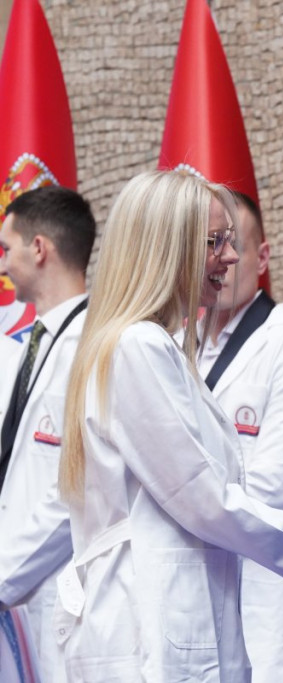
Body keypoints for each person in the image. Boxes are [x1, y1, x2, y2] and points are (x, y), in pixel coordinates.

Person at [56, 170, 283, 682]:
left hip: (173, 616)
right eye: (214, 242)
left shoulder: (150, 345)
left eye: (231, 241)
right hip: (144, 630)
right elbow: (205, 498)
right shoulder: (138, 346)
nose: (232, 257)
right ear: (168, 246)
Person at [196, 191, 283, 682]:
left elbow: (273, 491)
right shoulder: (172, 343)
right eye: (208, 244)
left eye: (234, 244)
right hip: (178, 596)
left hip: (259, 600)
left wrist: (177, 497)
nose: (222, 259)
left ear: (262, 257)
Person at [0, 186, 96, 683]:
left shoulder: (94, 346)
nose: (3, 263)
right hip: (22, 587)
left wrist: (4, 577)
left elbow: (76, 487)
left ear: (38, 248)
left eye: (7, 248)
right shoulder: (31, 346)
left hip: (66, 594)